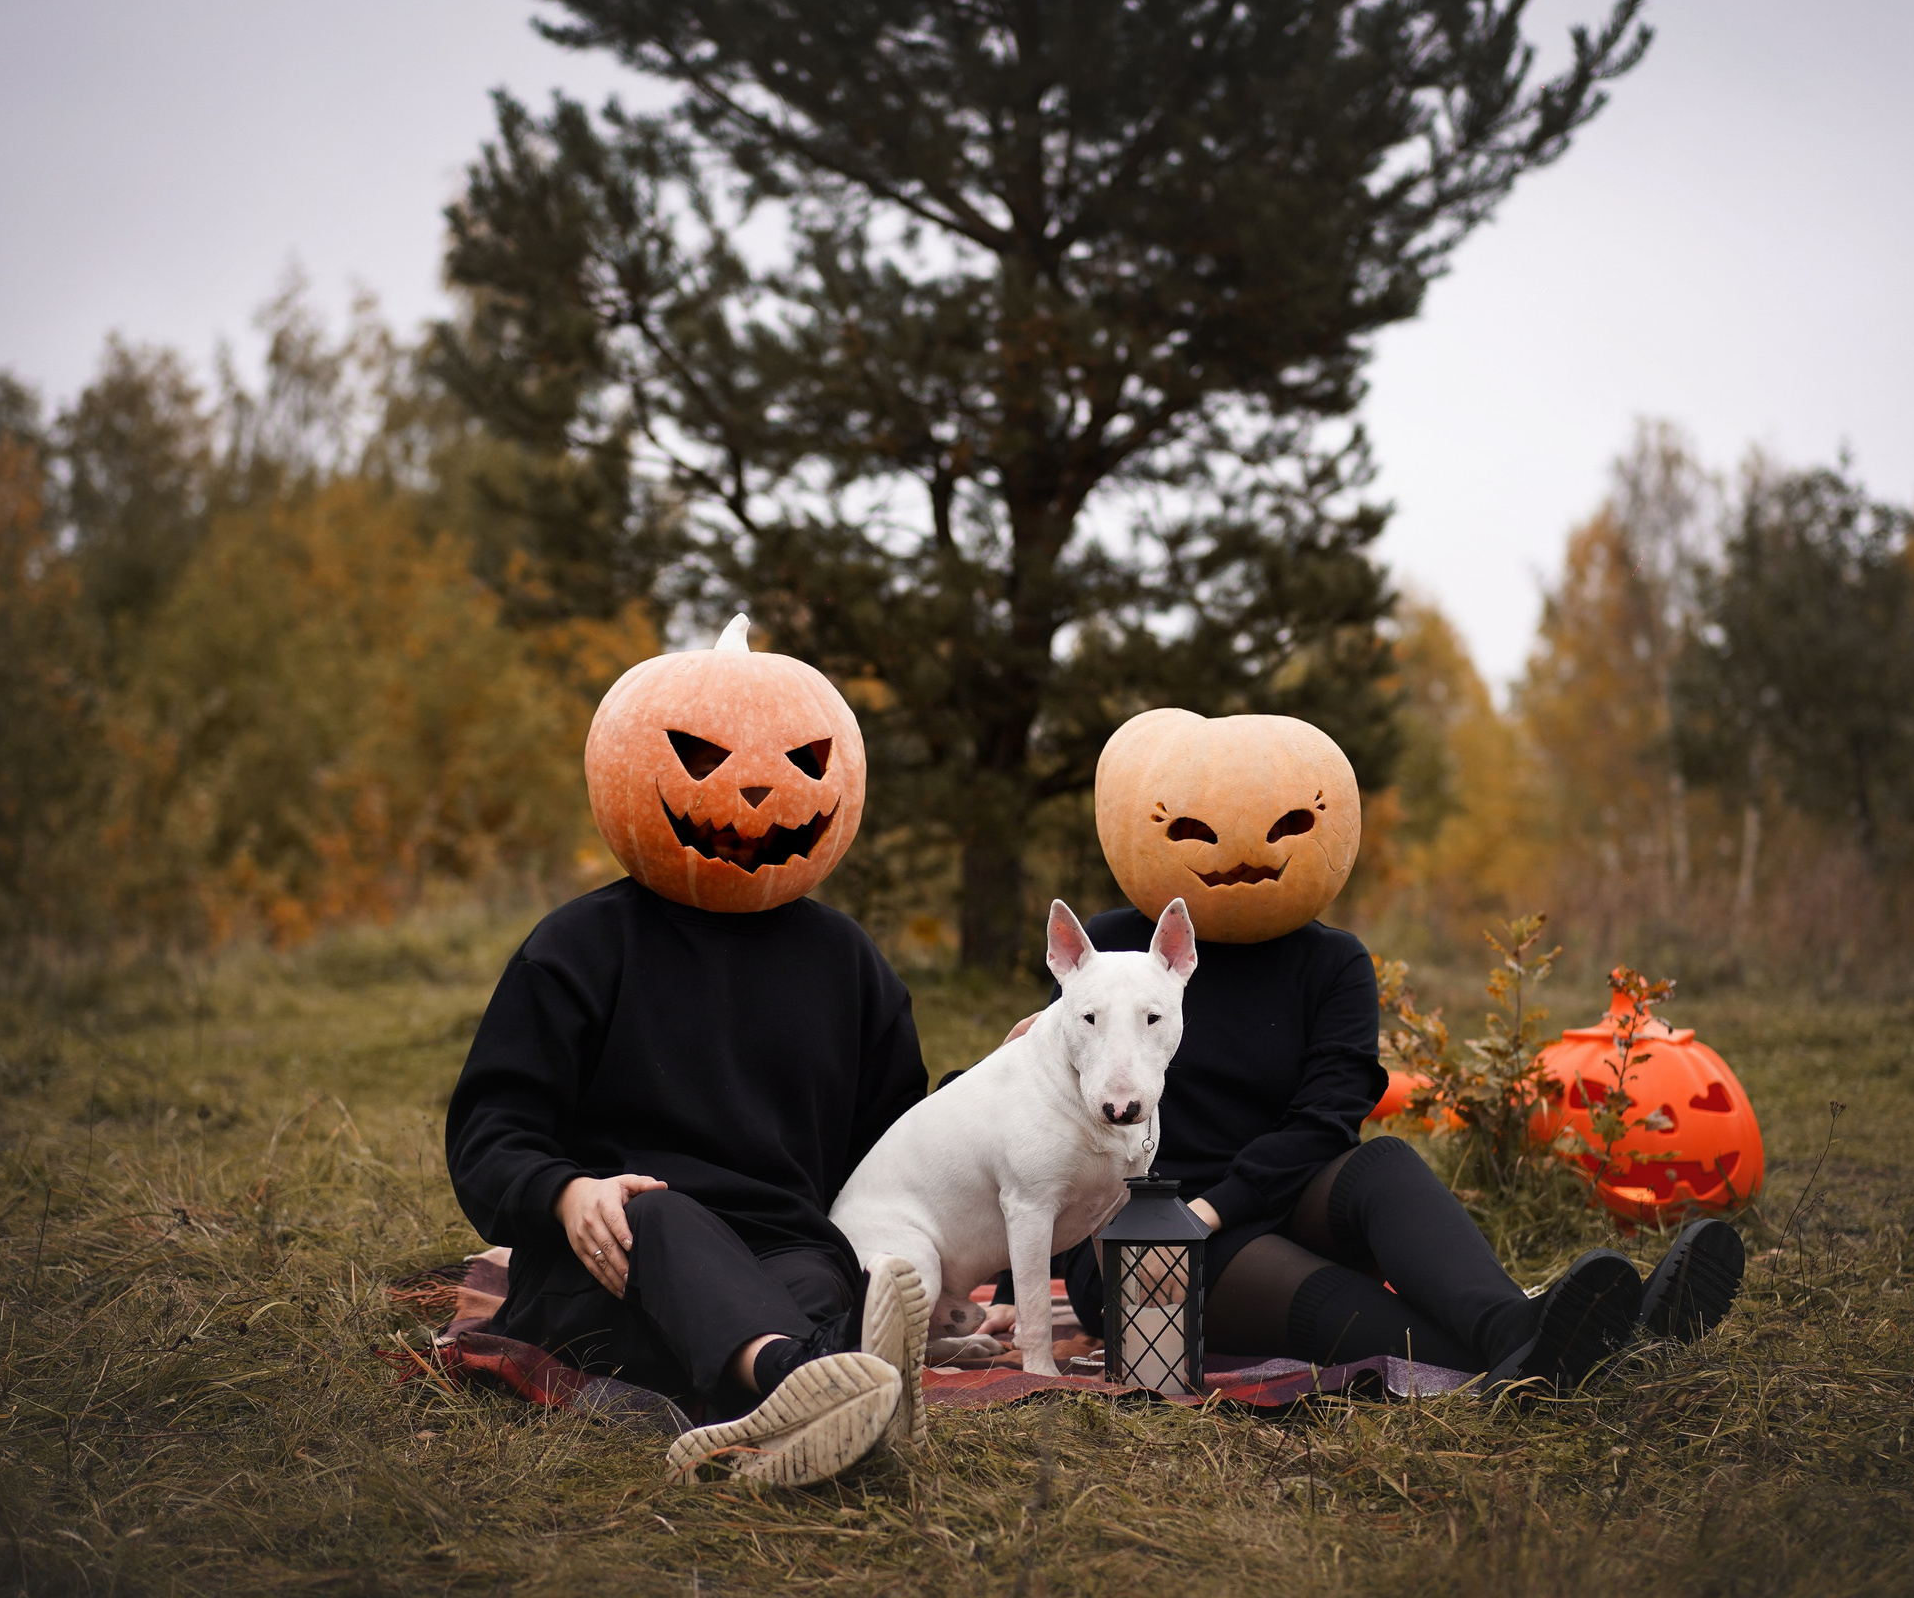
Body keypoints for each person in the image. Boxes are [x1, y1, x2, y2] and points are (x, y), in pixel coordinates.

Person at [1027, 708, 1745, 1390]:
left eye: (1288, 824)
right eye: (1193, 830)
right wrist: (1014, 1277)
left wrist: (1216, 1208)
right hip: (1146, 1232)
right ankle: (1589, 1347)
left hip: (1276, 1195)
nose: (1243, 851)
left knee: (1383, 1162)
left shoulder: (1333, 962)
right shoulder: (1111, 950)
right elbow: (1030, 1109)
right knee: (1336, 1301)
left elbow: (1327, 1119)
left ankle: (1528, 1331)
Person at [445, 618, 932, 1486]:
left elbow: (897, 1148)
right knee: (661, 1214)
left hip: (779, 1258)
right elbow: (490, 1136)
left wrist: (1018, 1080)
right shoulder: (579, 948)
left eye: (804, 761)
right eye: (702, 758)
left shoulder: (847, 963)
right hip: (609, 1268)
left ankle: (798, 1387)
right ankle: (805, 1381)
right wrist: (566, 1192)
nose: (757, 790)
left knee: (820, 1275)